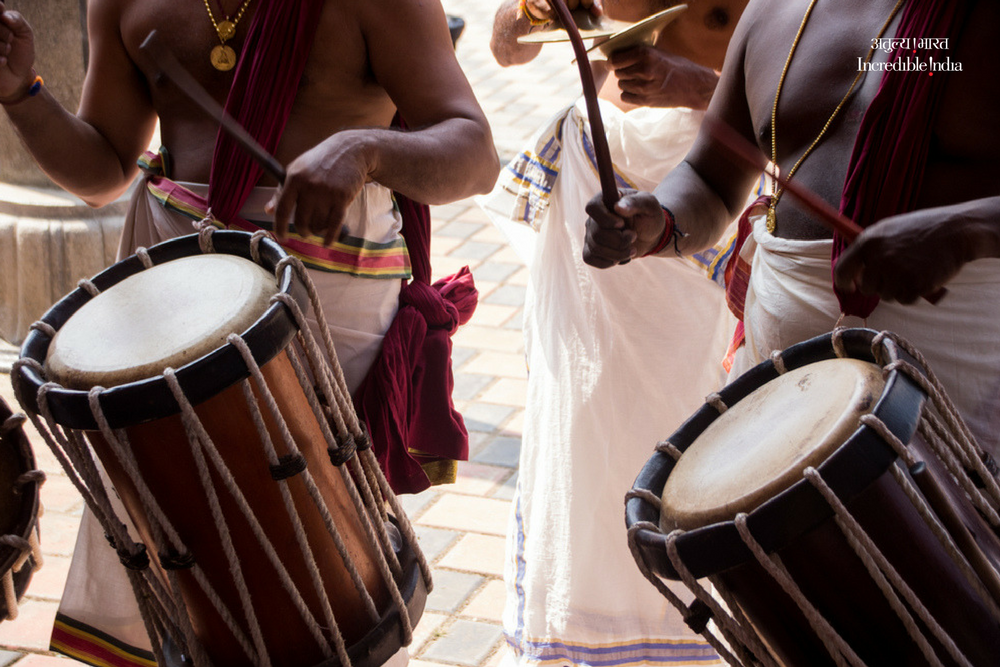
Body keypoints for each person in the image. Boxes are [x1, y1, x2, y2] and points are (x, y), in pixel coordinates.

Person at [0, 0, 499, 664]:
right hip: (171, 291)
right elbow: (105, 167)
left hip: (322, 296)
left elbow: (475, 151)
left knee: (318, 559)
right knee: (177, 540)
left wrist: (366, 148)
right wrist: (23, 95)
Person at [582, 0, 1000, 460]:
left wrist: (966, 230)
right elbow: (710, 179)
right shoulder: (773, 10)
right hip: (778, 396)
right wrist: (659, 222)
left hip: (963, 407)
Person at [480, 1, 749, 665]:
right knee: (585, 416)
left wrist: (686, 84)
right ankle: (589, 633)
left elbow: (791, 98)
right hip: (597, 204)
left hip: (703, 198)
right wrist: (527, 11)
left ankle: (696, 637)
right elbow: (508, 50)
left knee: (695, 418)